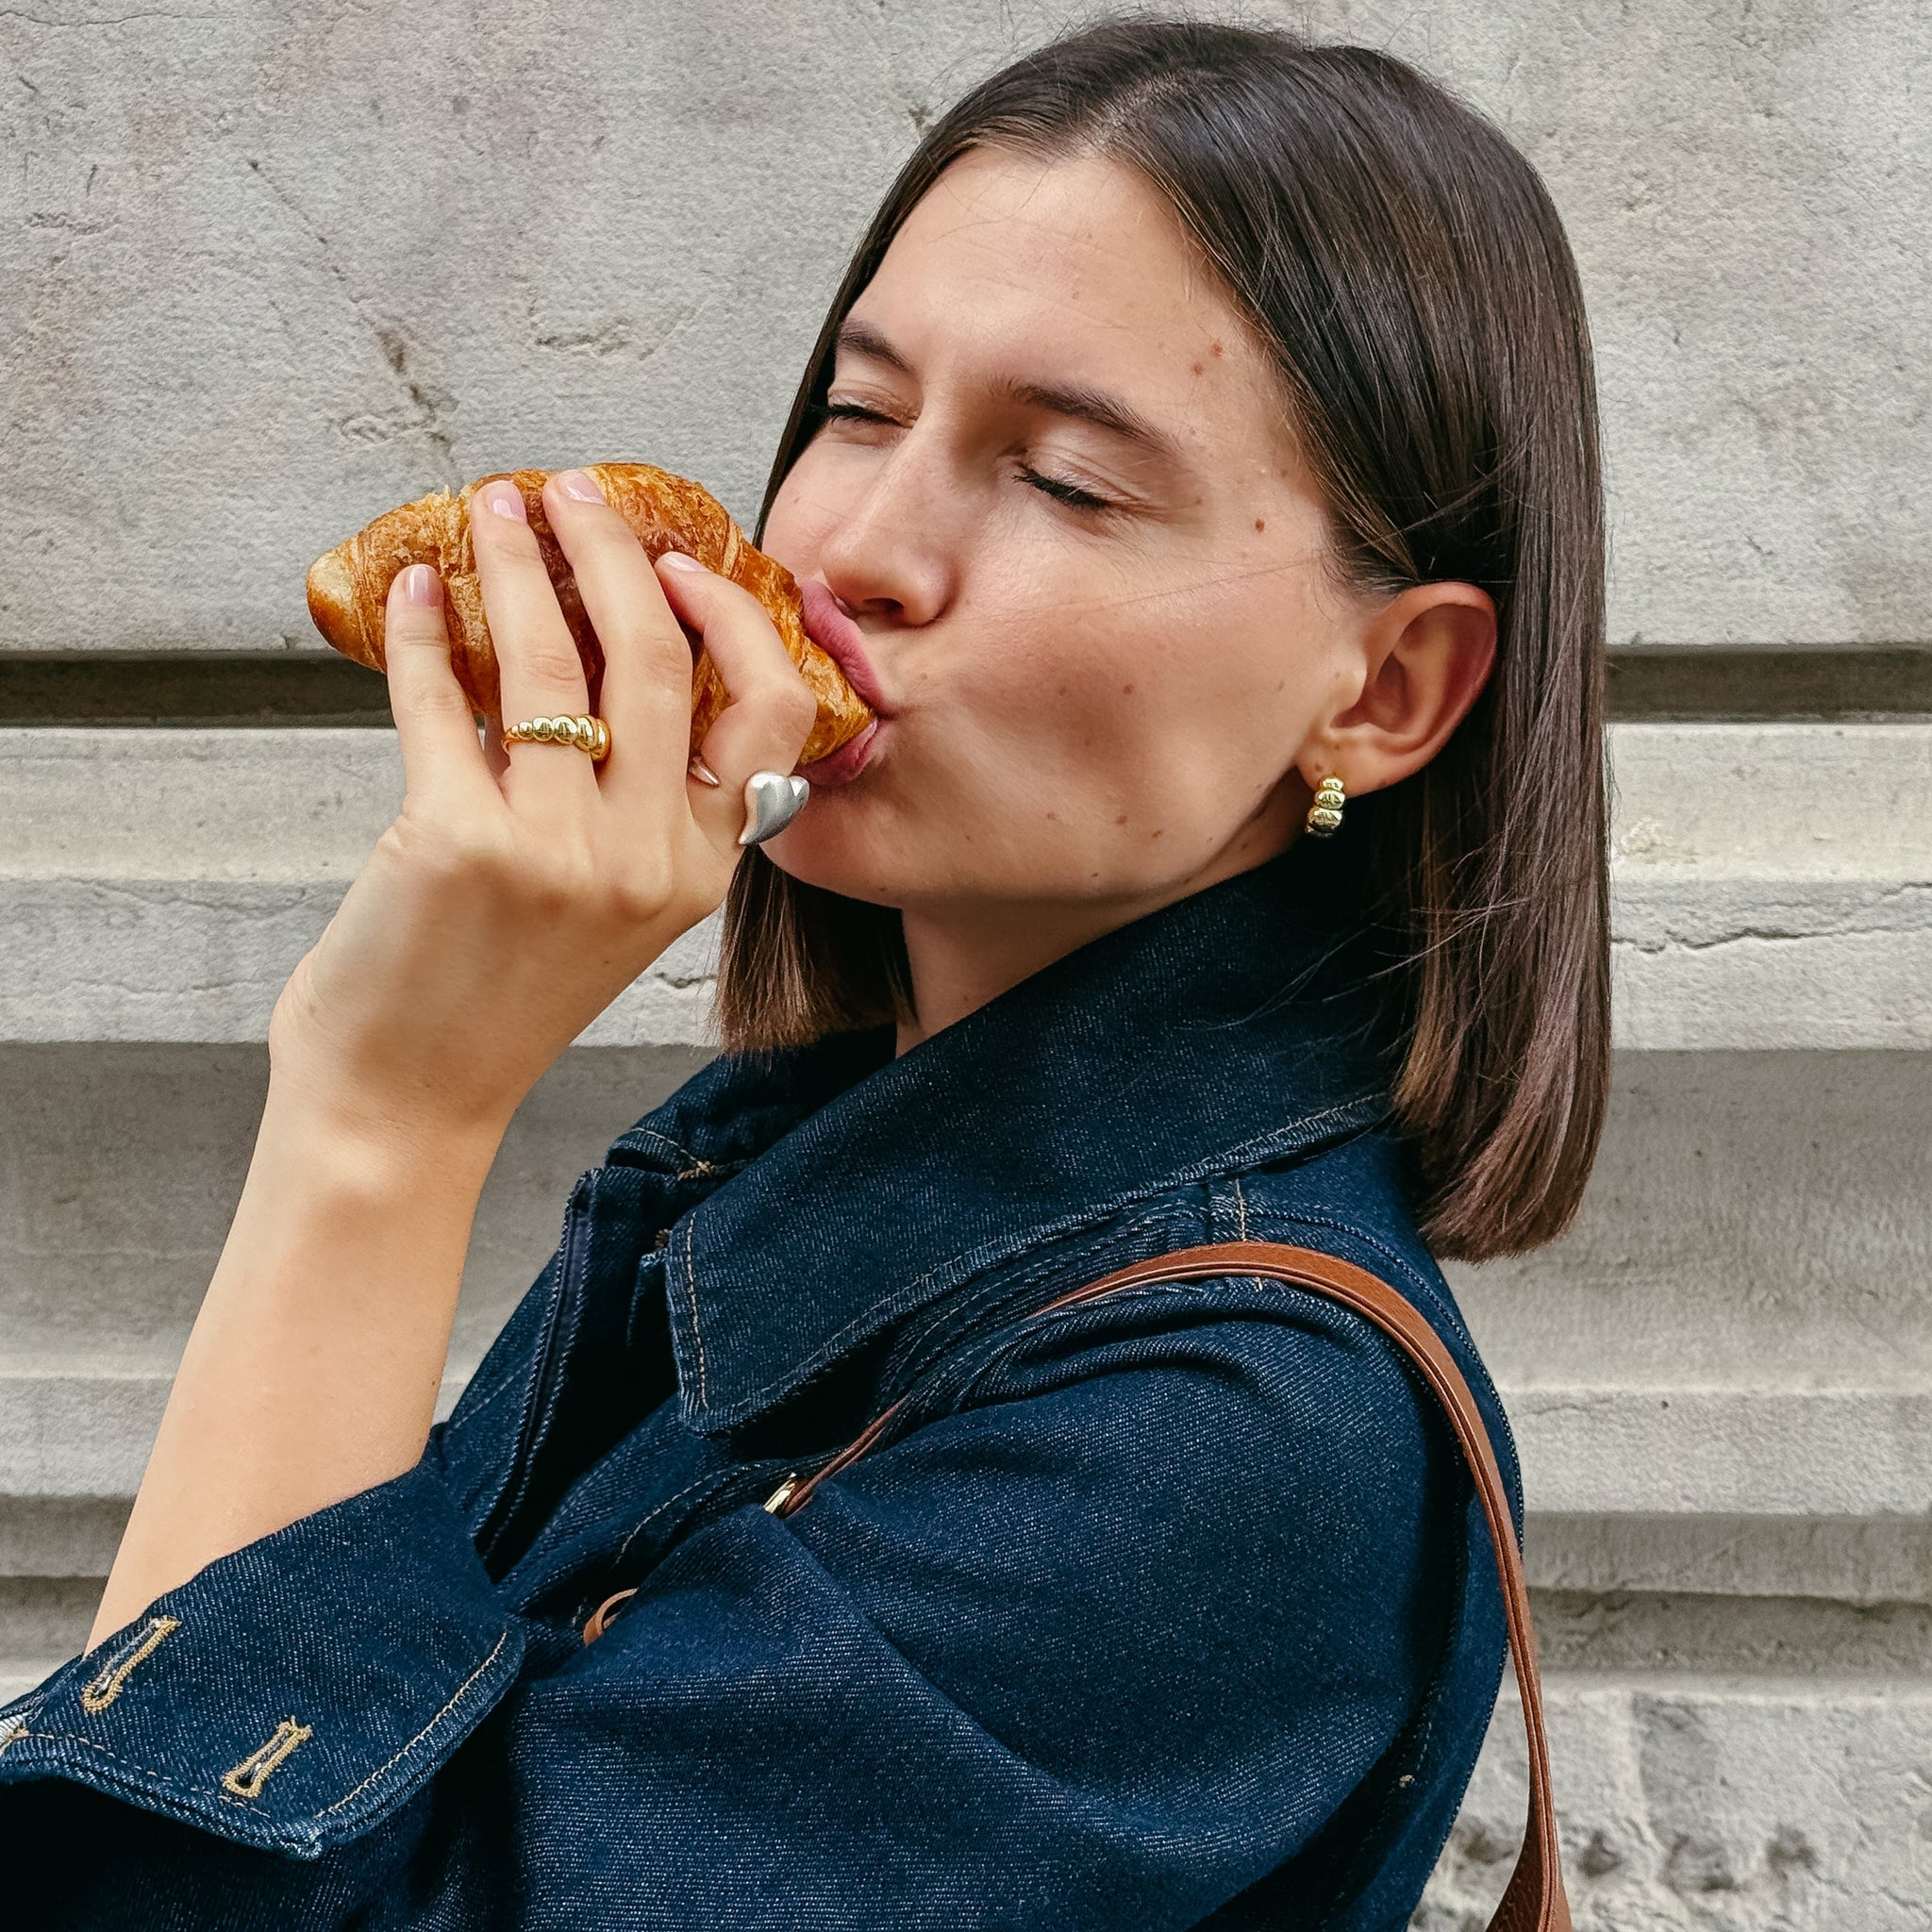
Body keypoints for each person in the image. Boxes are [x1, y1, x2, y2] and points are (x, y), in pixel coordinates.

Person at [0, 18, 1607, 1928]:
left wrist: (383, 1116)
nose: (857, 550)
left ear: (1387, 690)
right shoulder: (762, 1162)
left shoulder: (1229, 1431)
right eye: (858, 411)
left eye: (1066, 479)